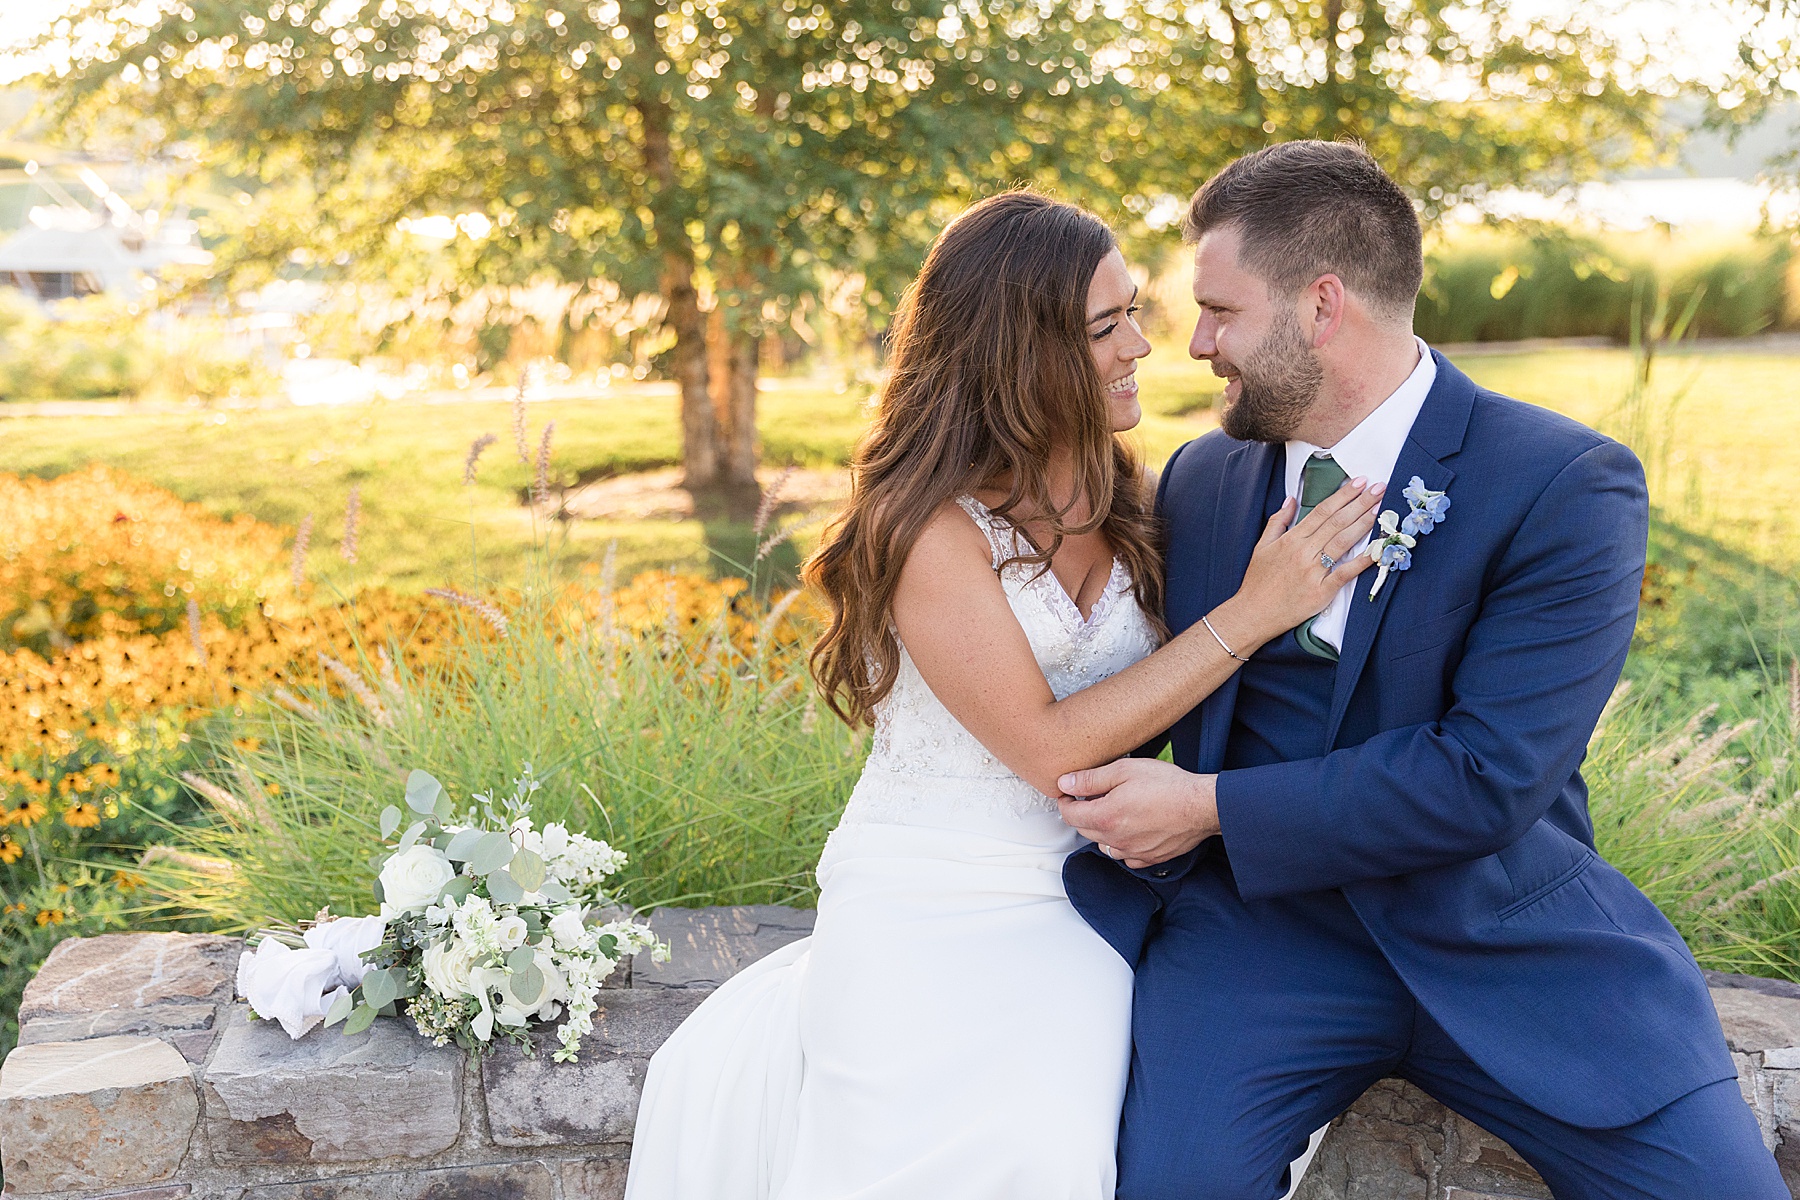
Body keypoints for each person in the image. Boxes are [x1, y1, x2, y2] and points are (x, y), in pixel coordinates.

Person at [1056, 140, 1789, 1200]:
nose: (1199, 346)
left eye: (1220, 312)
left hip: (1504, 934)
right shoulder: (1204, 479)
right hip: (1258, 945)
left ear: (1322, 306)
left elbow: (1485, 777)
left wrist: (1208, 805)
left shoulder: (1562, 484)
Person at [622, 190, 1382, 1199]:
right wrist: (1254, 610)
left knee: (1061, 1147)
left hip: (1086, 893)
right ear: (1025, 354)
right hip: (924, 890)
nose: (1143, 348)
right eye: (1108, 327)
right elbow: (1044, 744)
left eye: (1133, 316)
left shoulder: (1142, 503)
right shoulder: (928, 531)